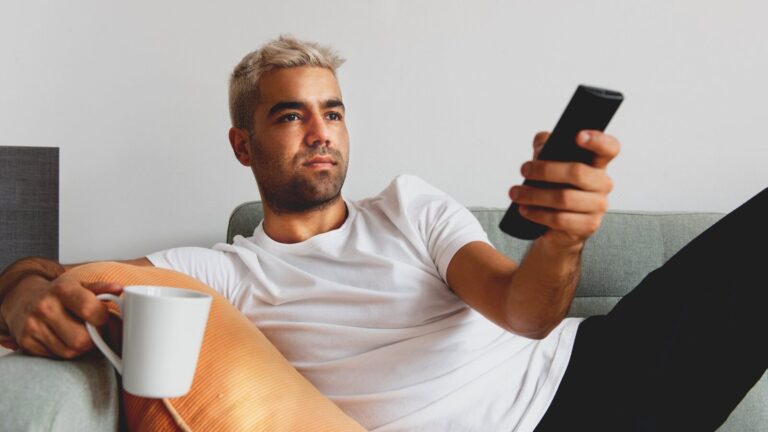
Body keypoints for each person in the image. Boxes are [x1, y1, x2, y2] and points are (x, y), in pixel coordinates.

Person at [0, 35, 765, 431]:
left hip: (595, 376)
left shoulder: (408, 205)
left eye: (331, 111)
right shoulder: (228, 273)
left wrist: (563, 242)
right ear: (243, 146)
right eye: (289, 115)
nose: (319, 131)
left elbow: (524, 312)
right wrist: (21, 287)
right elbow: (64, 271)